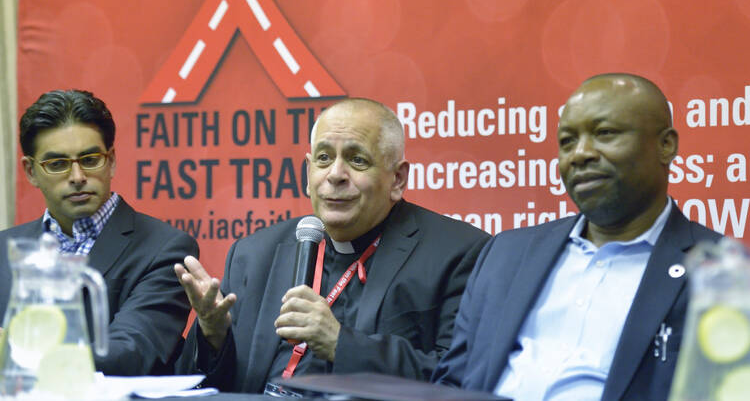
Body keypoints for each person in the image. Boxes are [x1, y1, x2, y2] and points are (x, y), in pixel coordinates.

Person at [433, 73, 723, 400]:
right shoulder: (505, 253)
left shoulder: (720, 272)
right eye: (568, 141)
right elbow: (453, 382)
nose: (580, 154)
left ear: (666, 145)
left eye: (605, 133)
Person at [174, 98, 490, 393]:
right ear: (308, 171)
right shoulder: (253, 254)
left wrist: (342, 344)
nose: (336, 174)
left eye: (357, 160)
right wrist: (213, 334)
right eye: (324, 158)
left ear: (397, 180)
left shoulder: (458, 253)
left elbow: (461, 378)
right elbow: (196, 386)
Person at [0, 89, 198, 375]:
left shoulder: (166, 249)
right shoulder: (4, 248)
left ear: (111, 160)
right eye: (57, 165)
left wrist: (16, 351)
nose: (78, 177)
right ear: (30, 171)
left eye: (90, 159)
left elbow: (130, 353)